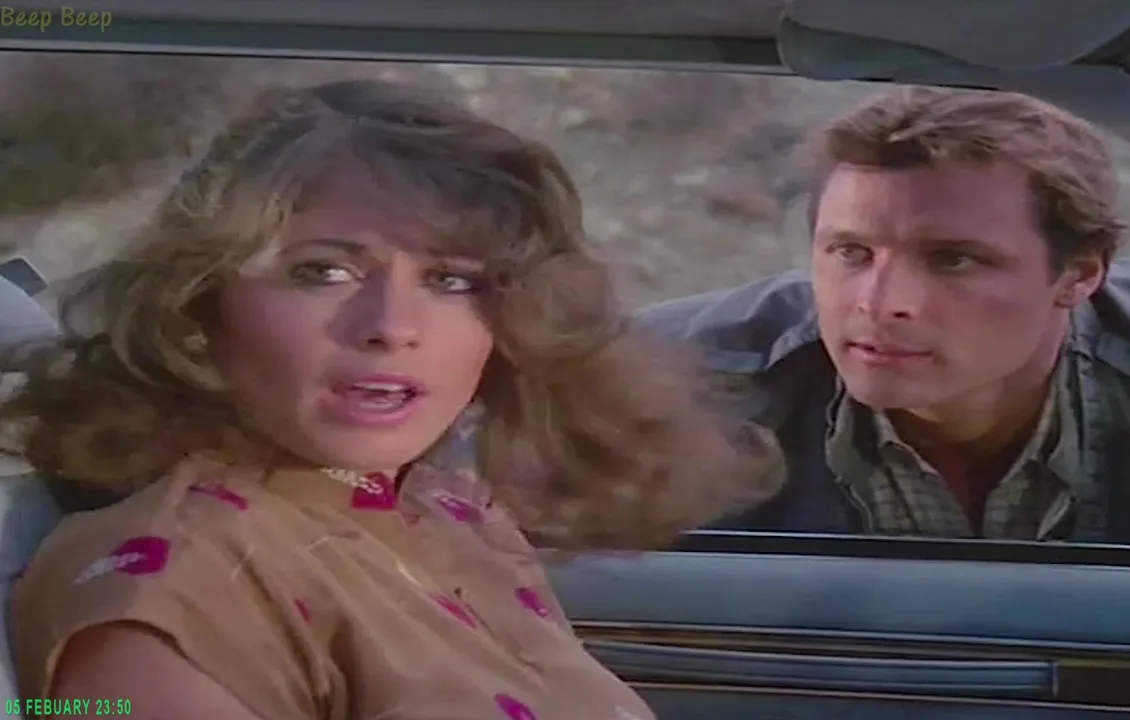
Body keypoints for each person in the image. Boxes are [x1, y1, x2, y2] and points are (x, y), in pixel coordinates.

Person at [0, 79, 780, 719]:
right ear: (199, 306)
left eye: (450, 280)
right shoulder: (173, 584)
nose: (391, 327)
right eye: (323, 272)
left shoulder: (453, 513)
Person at [640, 86, 1130, 549]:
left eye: (952, 260)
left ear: (1080, 274)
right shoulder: (671, 388)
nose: (880, 301)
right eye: (852, 253)